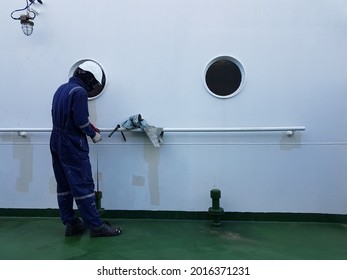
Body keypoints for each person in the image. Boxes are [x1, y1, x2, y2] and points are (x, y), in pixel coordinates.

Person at [50, 61, 121, 237]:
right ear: (89, 78)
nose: (93, 88)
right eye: (94, 84)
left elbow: (65, 115)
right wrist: (92, 133)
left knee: (64, 183)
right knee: (82, 183)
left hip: (56, 139)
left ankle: (71, 223)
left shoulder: (62, 89)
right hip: (72, 142)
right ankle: (96, 226)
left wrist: (87, 125)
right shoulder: (79, 92)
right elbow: (80, 121)